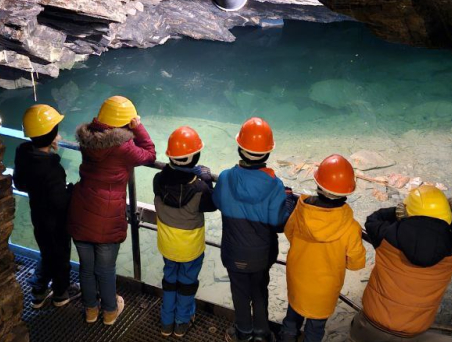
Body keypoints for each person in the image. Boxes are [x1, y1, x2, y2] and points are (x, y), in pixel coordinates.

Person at [68, 96, 156, 325]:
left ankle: (90, 310)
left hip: (81, 210)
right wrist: (139, 129)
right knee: (106, 269)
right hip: (107, 217)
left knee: (86, 269)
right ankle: (109, 311)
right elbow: (149, 154)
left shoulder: (87, 140)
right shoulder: (123, 147)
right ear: (125, 123)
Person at [350, 184, 452, 342]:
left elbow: (373, 219)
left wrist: (398, 211)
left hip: (367, 326)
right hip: (411, 334)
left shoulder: (387, 236)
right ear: (448, 216)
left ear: (405, 212)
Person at [214, 117, 294, 342]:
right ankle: (262, 333)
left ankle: (242, 332)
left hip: (232, 253)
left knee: (239, 293)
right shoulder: (275, 185)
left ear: (239, 148)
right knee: (259, 293)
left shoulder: (226, 177)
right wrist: (288, 202)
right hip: (260, 255)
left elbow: (217, 201)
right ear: (268, 153)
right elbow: (278, 223)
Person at [280, 154, 366, 342]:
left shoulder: (300, 211)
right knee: (315, 329)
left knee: (291, 319)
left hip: (298, 278)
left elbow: (289, 232)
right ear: (347, 192)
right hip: (325, 291)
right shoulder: (351, 228)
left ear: (318, 185)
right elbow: (356, 263)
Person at [12, 104, 81, 309]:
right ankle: (61, 294)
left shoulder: (23, 154)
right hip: (56, 221)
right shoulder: (51, 168)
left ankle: (38, 291)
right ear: (53, 135)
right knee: (60, 256)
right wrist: (72, 191)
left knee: (47, 252)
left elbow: (20, 183)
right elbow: (60, 201)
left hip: (38, 216)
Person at [152, 126, 217, 338]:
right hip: (190, 248)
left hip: (167, 246)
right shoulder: (200, 189)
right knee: (187, 284)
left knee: (169, 280)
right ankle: (181, 323)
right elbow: (212, 204)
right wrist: (206, 179)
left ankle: (166, 322)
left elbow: (171, 179)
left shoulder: (158, 181)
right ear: (196, 158)